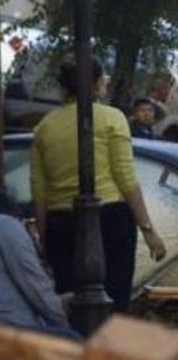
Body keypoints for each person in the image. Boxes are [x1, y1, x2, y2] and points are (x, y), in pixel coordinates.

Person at [31, 59, 167, 318]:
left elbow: (40, 191)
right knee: (113, 304)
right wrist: (148, 230)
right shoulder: (111, 118)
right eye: (102, 78)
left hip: (62, 225)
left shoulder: (45, 127)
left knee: (72, 308)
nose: (105, 82)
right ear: (94, 84)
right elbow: (126, 177)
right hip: (110, 220)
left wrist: (45, 238)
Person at [0, 190, 76, 340]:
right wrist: (63, 322)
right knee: (74, 341)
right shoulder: (7, 226)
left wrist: (60, 302)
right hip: (14, 331)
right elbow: (36, 288)